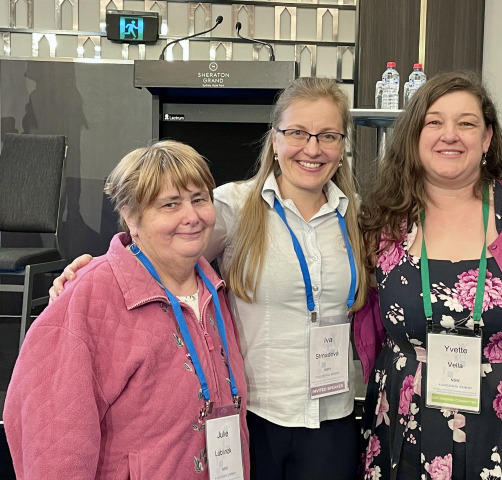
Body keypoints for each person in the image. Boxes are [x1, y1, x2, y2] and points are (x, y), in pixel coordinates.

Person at [48, 77, 368, 480]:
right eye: (297, 133)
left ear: (342, 146)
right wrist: (92, 273)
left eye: (328, 135)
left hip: (333, 416)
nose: (312, 148)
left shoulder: (356, 215)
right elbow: (159, 244)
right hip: (256, 416)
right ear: (275, 139)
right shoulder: (234, 206)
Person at [358, 71, 502, 480]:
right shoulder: (383, 219)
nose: (449, 134)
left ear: (487, 138)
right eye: (434, 122)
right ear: (414, 136)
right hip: (404, 420)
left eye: (466, 123)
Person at [4, 141, 250, 479]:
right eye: (170, 204)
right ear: (131, 216)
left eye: (199, 199)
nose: (191, 216)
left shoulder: (213, 292)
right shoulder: (88, 298)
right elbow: (52, 442)